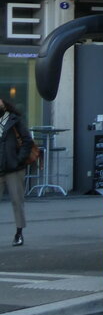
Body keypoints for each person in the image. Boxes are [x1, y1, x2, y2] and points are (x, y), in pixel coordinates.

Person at [0, 97, 35, 246]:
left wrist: (18, 159)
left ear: (4, 104)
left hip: (14, 168)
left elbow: (27, 141)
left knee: (17, 201)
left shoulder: (15, 120)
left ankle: (19, 233)